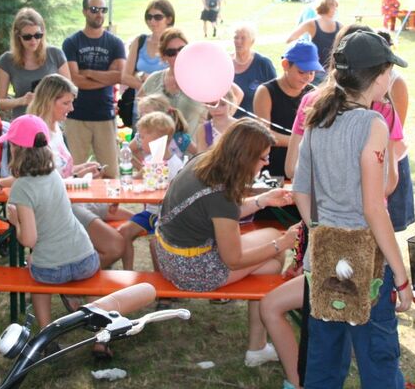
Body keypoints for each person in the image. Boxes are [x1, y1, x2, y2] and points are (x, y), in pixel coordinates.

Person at [294, 30, 412, 389]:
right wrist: (401, 275)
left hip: (323, 255)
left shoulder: (317, 116)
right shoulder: (372, 124)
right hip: (365, 259)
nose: (391, 78)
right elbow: (374, 208)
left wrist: (320, 231)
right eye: (389, 71)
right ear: (377, 76)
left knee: (324, 358)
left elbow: (300, 190)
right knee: (377, 357)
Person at [154, 118, 300, 365]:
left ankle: (258, 347)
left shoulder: (204, 162)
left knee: (270, 261)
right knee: (273, 248)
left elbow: (219, 213)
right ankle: (257, 346)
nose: (266, 163)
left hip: (169, 256)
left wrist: (262, 200)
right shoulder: (220, 192)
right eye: (263, 158)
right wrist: (284, 243)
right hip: (190, 269)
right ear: (245, 157)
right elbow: (233, 260)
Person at [0, 114, 100, 329]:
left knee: (35, 271)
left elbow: (29, 240)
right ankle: (99, 332)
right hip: (86, 260)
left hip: (51, 271)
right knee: (46, 261)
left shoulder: (21, 188)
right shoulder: (54, 175)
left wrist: (15, 222)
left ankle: (46, 333)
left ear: (15, 149)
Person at [17, 73, 125, 267]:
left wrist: (80, 169)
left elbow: (57, 170)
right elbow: (37, 180)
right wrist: (77, 175)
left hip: (76, 199)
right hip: (60, 207)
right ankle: (62, 271)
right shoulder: (36, 133)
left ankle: (72, 272)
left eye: (71, 102)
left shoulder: (56, 127)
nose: (72, 108)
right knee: (116, 245)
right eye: (66, 103)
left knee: (133, 223)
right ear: (49, 101)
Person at [62, 0, 126, 176]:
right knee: (74, 172)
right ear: (84, 11)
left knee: (110, 172)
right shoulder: (72, 42)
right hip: (76, 114)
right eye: (94, 9)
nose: (99, 14)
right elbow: (74, 80)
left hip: (104, 114)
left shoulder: (115, 43)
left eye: (103, 10)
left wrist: (88, 73)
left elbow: (120, 76)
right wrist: (106, 76)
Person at [118, 112, 184, 270]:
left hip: (168, 216)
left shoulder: (175, 165)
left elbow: (177, 197)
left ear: (158, 140)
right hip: (150, 213)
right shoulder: (150, 160)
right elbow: (136, 179)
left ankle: (160, 280)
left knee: (156, 244)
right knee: (123, 233)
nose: (139, 141)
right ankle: (128, 273)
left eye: (142, 137)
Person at [254, 41, 320, 179]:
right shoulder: (266, 92)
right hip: (273, 168)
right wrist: (297, 140)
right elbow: (263, 133)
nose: (307, 77)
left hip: (303, 167)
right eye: (302, 72)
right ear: (285, 65)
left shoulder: (313, 94)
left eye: (312, 73)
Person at [0, 7, 70, 118]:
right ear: (18, 37)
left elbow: (70, 92)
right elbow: (1, 102)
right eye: (27, 37)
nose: (33, 40)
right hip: (24, 121)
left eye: (38, 35)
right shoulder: (6, 60)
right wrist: (23, 100)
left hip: (51, 121)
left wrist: (50, 95)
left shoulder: (55, 54)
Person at [139, 28, 206, 135]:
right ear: (163, 56)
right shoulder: (153, 80)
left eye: (182, 49)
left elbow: (231, 97)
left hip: (194, 144)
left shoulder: (202, 78)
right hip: (159, 145)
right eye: (171, 52)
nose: (178, 54)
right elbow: (140, 109)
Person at [120, 0, 174, 126]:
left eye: (157, 17)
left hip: (168, 111)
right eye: (149, 17)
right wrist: (145, 80)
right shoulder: (139, 41)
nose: (152, 21)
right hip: (141, 111)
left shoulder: (175, 44)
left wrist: (148, 82)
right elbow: (125, 77)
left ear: (169, 19)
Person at [286, 0, 341, 81]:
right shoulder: (340, 26)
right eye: (335, 7)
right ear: (329, 7)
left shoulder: (311, 24)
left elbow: (290, 39)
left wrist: (304, 49)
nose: (336, 10)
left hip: (314, 69)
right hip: (333, 71)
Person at [132, 93, 196, 167]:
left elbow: (199, 154)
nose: (143, 117)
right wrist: (142, 167)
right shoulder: (142, 136)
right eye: (141, 114)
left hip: (175, 172)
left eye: (147, 113)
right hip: (153, 171)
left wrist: (189, 169)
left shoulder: (180, 138)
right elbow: (129, 151)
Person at [231, 23, 276, 119]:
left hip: (254, 123)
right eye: (236, 37)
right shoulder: (225, 62)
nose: (238, 41)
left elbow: (275, 94)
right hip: (228, 122)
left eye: (243, 38)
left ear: (252, 41)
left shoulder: (263, 64)